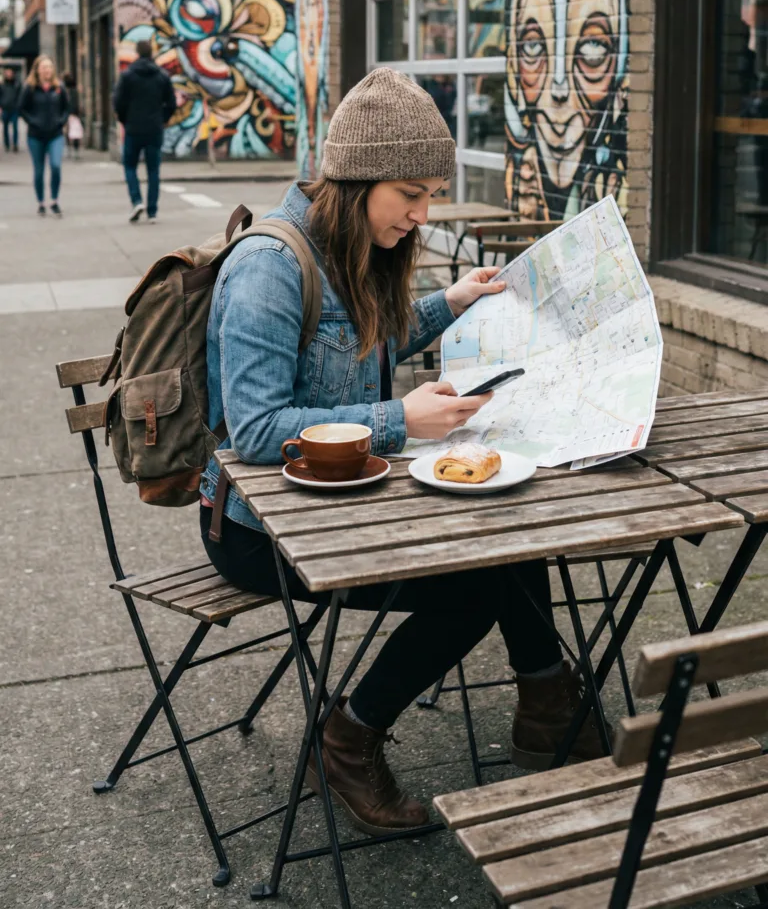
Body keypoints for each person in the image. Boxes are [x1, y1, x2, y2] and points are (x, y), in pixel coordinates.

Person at [199, 67, 605, 837]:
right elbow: (252, 431)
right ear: (356, 183)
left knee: (510, 532)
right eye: (410, 195)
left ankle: (547, 706)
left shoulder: (352, 246)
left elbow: (366, 333)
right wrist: (399, 421)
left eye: (430, 197)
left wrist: (452, 303)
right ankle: (348, 738)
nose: (423, 216)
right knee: (472, 590)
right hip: (261, 532)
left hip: (345, 498)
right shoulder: (268, 267)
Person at [113, 39, 176, 223]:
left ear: (137, 54)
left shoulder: (127, 76)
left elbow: (118, 102)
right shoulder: (162, 76)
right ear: (152, 53)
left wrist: (125, 120)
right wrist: (162, 119)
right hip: (154, 129)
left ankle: (136, 201)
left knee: (130, 166)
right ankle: (152, 212)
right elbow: (171, 103)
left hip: (133, 128)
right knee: (153, 170)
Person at [18, 56, 69, 217]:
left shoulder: (59, 87)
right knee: (39, 170)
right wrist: (32, 122)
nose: (47, 70)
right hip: (36, 136)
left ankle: (54, 200)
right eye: (44, 67)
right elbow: (21, 108)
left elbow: (67, 107)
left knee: (55, 166)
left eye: (49, 67)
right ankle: (41, 202)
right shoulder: (30, 88)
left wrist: (61, 122)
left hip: (55, 134)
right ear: (37, 70)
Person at [62, 72, 84, 159]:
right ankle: (74, 150)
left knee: (69, 132)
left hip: (69, 114)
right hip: (73, 114)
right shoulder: (73, 90)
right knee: (74, 132)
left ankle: (69, 149)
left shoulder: (65, 91)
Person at [1, 66, 20, 151]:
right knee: (5, 128)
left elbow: (20, 96)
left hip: (14, 109)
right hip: (5, 109)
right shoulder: (2, 85)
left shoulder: (16, 84)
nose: (8, 74)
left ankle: (15, 144)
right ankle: (7, 144)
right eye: (7, 72)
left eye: (10, 72)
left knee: (15, 127)